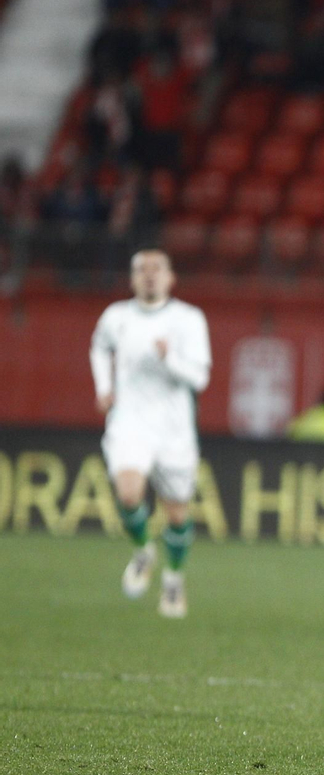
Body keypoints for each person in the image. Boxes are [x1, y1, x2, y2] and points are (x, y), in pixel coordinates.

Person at [89, 249, 212, 619]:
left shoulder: (188, 319)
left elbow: (199, 378)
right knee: (128, 494)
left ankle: (173, 578)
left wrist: (168, 359)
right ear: (132, 279)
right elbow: (99, 347)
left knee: (177, 513)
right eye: (141, 269)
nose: (149, 274)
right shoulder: (116, 316)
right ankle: (144, 550)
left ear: (170, 278)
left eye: (157, 268)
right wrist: (103, 387)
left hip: (174, 428)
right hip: (130, 420)